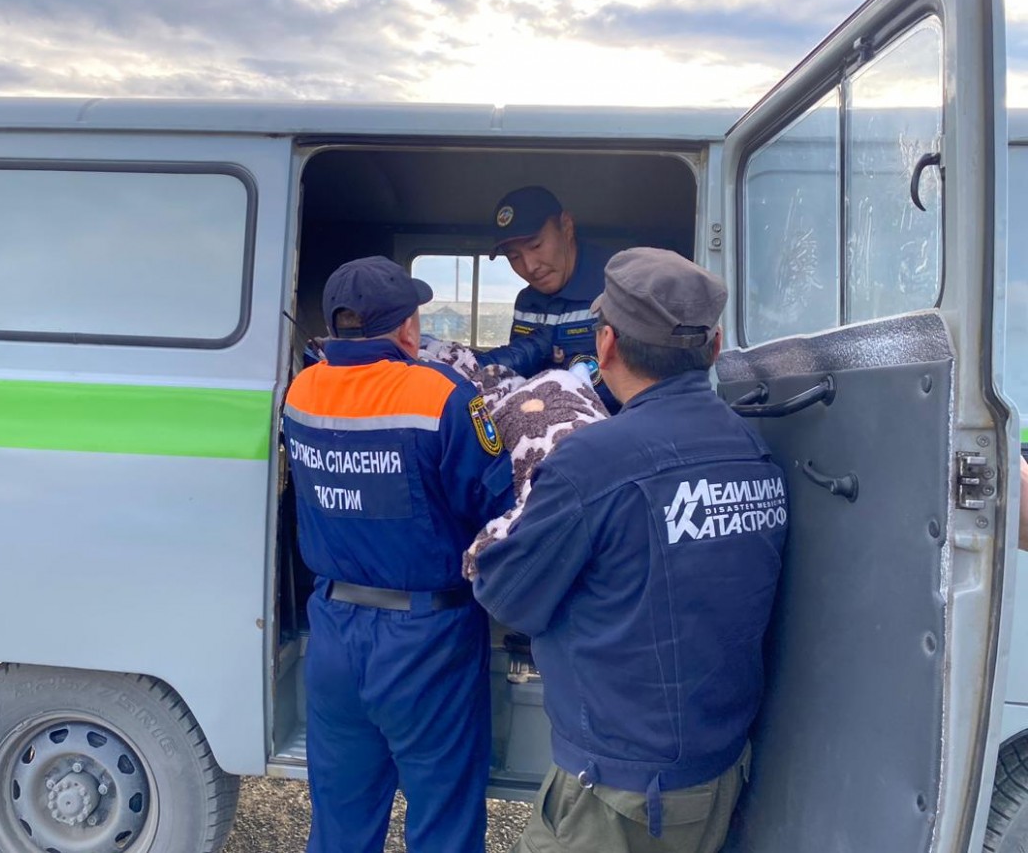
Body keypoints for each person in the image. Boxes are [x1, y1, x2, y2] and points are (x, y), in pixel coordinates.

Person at [474, 247, 788, 853]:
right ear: (714, 348)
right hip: (717, 769)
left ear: (607, 346)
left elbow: (507, 595)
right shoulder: (752, 449)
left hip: (617, 795)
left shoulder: (592, 461)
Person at [282, 255, 516, 853]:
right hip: (426, 637)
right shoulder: (440, 394)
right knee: (442, 822)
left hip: (333, 629)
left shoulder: (301, 390)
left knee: (341, 823)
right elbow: (494, 507)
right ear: (409, 328)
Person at [480, 185, 619, 412]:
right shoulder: (526, 302)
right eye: (514, 257)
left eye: (536, 245)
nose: (530, 266)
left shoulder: (617, 284)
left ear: (566, 226)